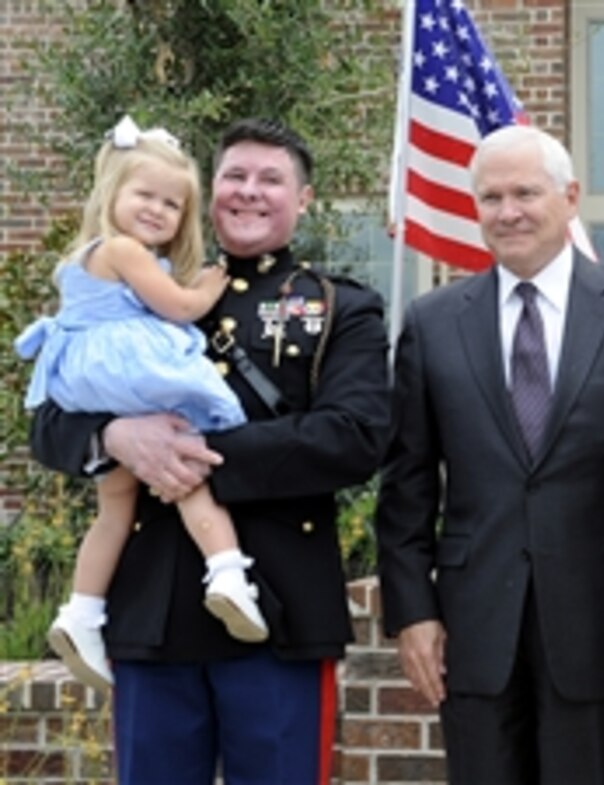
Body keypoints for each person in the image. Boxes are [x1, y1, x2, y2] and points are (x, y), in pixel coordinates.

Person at [29, 118, 390, 784]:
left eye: (271, 179)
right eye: (235, 176)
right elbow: (47, 421)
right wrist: (114, 436)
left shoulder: (340, 306)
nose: (250, 192)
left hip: (277, 611)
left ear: (303, 199)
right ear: (212, 192)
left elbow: (355, 436)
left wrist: (196, 454)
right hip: (152, 607)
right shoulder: (130, 291)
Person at [375, 124, 604, 785]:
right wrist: (412, 610)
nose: (508, 212)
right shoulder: (433, 320)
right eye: (490, 197)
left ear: (570, 196)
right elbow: (407, 483)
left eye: (525, 192)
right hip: (476, 628)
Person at [15, 116, 268, 695]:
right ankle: (228, 572)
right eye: (144, 195)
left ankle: (81, 612)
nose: (157, 210)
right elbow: (179, 307)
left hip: (91, 377)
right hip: (126, 371)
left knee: (116, 503)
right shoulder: (125, 250)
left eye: (172, 204)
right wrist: (210, 285)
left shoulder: (94, 257)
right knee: (188, 463)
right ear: (112, 194)